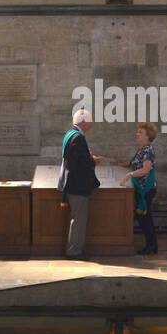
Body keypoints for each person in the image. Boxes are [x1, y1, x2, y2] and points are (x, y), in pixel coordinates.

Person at [61, 108, 100, 259]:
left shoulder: (70, 134)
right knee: (78, 220)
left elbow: (75, 158)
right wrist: (93, 160)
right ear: (83, 122)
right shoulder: (78, 137)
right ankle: (74, 251)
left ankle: (74, 249)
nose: (91, 123)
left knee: (76, 219)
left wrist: (88, 157)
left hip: (72, 183)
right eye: (90, 121)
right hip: (77, 185)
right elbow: (82, 163)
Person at [122, 122, 158, 256]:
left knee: (144, 217)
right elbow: (131, 164)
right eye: (138, 132)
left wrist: (130, 174)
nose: (137, 134)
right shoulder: (141, 149)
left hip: (146, 189)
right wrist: (112, 163)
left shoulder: (148, 150)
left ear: (148, 136)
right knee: (143, 216)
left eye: (140, 132)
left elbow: (146, 169)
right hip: (140, 188)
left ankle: (152, 246)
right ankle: (151, 245)